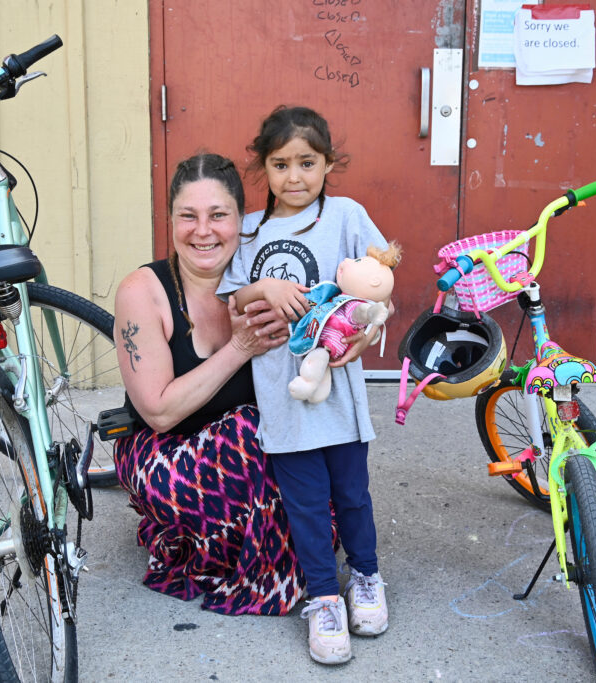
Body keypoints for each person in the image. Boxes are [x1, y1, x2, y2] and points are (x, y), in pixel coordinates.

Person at [218, 106, 392, 665]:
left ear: (328, 163)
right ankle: (322, 597)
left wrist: (369, 331)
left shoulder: (345, 216)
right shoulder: (249, 229)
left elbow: (380, 282)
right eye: (280, 164)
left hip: (340, 389)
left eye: (307, 163)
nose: (294, 177)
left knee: (353, 496)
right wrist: (263, 286)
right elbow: (232, 301)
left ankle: (365, 577)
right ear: (262, 167)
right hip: (282, 392)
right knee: (307, 504)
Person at [112, 152, 303, 616]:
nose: (203, 231)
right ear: (171, 220)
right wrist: (239, 347)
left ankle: (216, 541)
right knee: (249, 431)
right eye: (188, 216)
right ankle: (258, 567)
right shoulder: (143, 292)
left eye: (218, 215)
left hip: (253, 455)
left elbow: (346, 302)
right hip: (163, 452)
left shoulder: (270, 275)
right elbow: (157, 412)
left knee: (316, 468)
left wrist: (365, 325)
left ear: (242, 219)